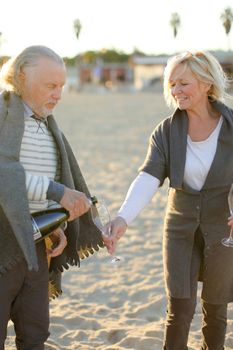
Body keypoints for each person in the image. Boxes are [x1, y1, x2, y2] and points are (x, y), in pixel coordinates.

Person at [104, 51, 233, 349]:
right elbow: (148, 176)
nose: (176, 91)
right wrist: (123, 217)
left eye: (183, 83)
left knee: (216, 311)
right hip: (179, 229)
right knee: (180, 310)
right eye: (172, 84)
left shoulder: (230, 125)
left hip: (223, 229)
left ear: (206, 84)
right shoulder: (166, 131)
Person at [0, 46, 103, 350]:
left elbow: (34, 185)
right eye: (50, 85)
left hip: (34, 247)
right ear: (20, 77)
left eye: (61, 86)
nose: (58, 94)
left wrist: (51, 225)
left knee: (35, 332)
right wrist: (58, 192)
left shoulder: (47, 126)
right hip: (3, 244)